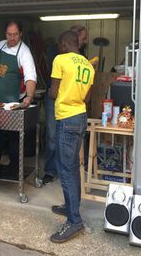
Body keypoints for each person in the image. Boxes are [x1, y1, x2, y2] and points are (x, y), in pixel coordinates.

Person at [48, 30, 94, 243]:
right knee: (73, 166)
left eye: (60, 44)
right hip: (81, 117)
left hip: (66, 119)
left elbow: (54, 92)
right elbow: (87, 96)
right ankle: (70, 206)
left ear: (65, 44)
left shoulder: (61, 60)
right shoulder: (87, 64)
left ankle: (74, 221)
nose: (59, 48)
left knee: (65, 170)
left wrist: (50, 91)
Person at [0, 20, 37, 178]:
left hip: (12, 104)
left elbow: (30, 77)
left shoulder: (24, 52)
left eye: (15, 34)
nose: (12, 38)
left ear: (20, 34)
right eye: (9, 34)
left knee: (13, 138)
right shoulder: (0, 45)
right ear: (5, 34)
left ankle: (14, 171)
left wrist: (29, 96)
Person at [43, 26, 89, 185]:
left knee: (63, 143)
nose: (85, 42)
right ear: (70, 41)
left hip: (66, 108)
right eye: (83, 39)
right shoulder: (56, 53)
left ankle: (65, 176)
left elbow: (55, 91)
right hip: (70, 108)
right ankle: (51, 170)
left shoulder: (81, 58)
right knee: (52, 135)